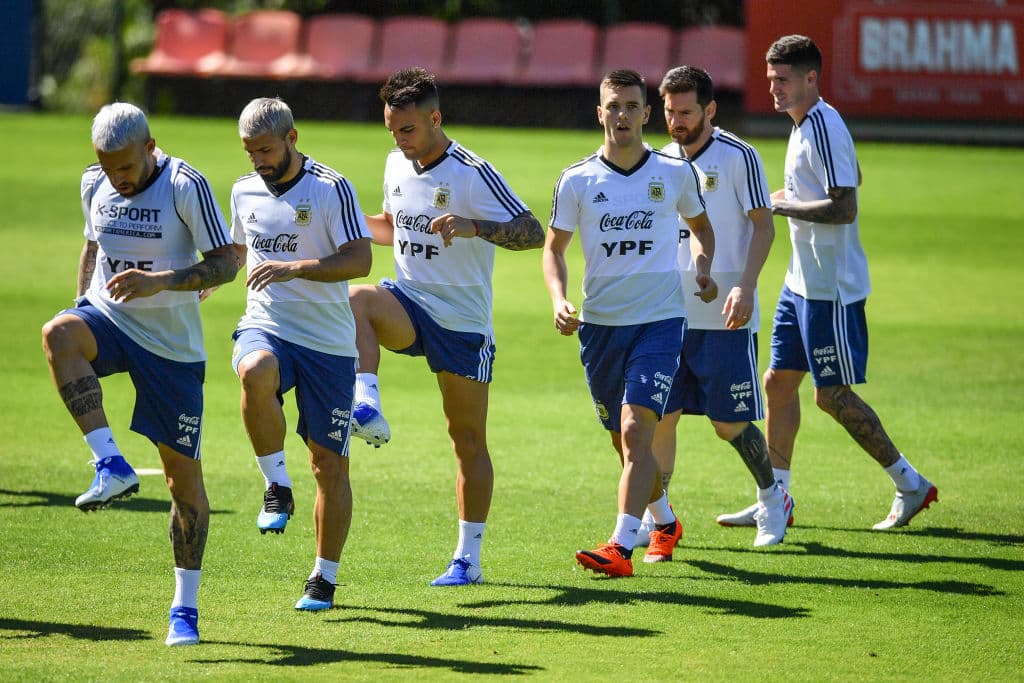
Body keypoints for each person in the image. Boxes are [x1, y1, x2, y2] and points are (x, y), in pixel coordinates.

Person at [41, 102, 241, 646]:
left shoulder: (183, 184)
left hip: (171, 346)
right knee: (58, 332)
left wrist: (165, 281)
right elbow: (92, 244)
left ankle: (185, 607)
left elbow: (227, 261)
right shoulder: (95, 183)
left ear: (150, 146)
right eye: (108, 168)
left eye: (126, 167)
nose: (118, 178)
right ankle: (110, 463)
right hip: (110, 318)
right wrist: (81, 300)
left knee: (183, 482)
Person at [718, 35, 937, 529]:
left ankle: (910, 483)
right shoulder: (802, 125)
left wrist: (781, 203)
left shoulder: (823, 125)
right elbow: (852, 173)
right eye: (770, 78)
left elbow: (844, 205)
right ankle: (777, 497)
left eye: (783, 79)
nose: (773, 88)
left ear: (811, 78)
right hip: (801, 283)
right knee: (777, 383)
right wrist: (793, 193)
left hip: (831, 288)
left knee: (831, 395)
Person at [347, 68, 544, 587]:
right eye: (392, 130)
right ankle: (365, 401)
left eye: (407, 130)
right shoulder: (395, 163)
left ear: (435, 119)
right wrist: (345, 220)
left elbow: (532, 232)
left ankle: (468, 560)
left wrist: (474, 226)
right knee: (358, 299)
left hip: (462, 325)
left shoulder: (472, 172)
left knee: (467, 440)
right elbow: (393, 228)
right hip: (409, 302)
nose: (399, 140)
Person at [544, 69, 717, 577]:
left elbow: (702, 229)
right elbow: (554, 248)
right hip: (600, 327)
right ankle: (664, 520)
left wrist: (703, 267)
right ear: (600, 113)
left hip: (660, 321)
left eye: (631, 106)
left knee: (636, 429)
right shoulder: (576, 180)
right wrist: (558, 297)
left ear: (646, 113)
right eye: (612, 106)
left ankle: (620, 546)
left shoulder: (674, 172)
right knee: (623, 442)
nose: (621, 115)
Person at [635, 65, 792, 549]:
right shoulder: (659, 159)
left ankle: (772, 498)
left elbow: (763, 226)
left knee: (729, 423)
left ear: (710, 110)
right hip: (668, 313)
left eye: (686, 112)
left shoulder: (738, 156)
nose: (676, 121)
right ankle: (657, 518)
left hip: (725, 312)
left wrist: (745, 286)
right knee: (662, 417)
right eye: (669, 111)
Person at [230, 97, 372, 610]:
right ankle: (275, 485)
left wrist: (296, 267)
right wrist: (198, 282)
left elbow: (360, 258)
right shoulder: (244, 189)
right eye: (250, 152)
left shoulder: (331, 188)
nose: (258, 161)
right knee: (255, 369)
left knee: (329, 466)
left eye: (265, 150)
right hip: (267, 324)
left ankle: (324, 577)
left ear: (292, 138)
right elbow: (239, 251)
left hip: (329, 345)